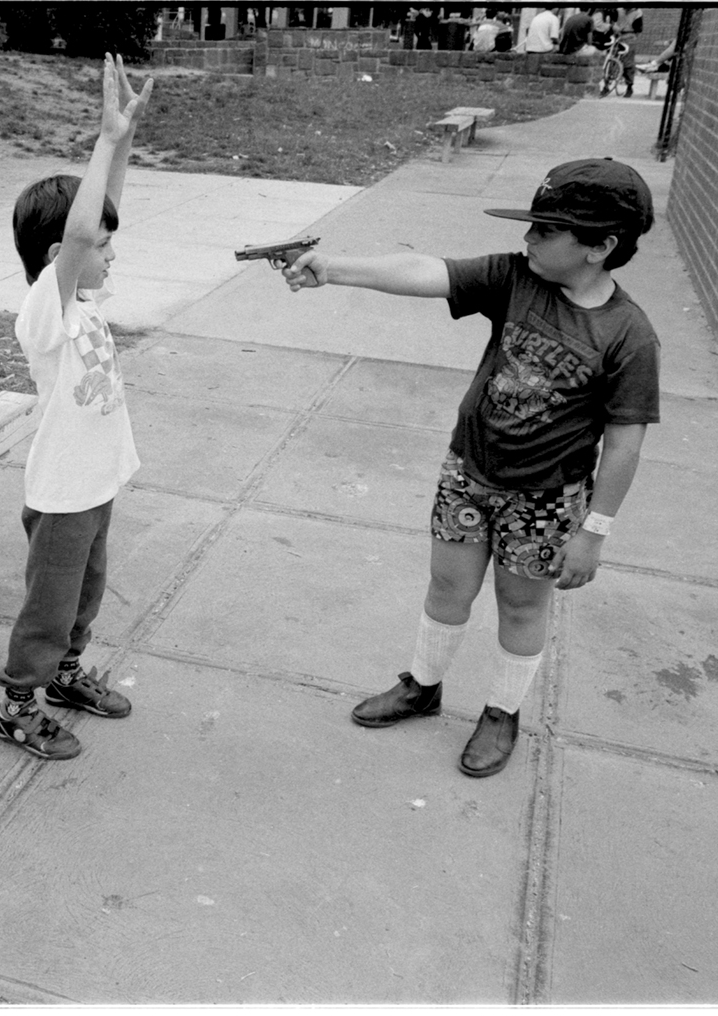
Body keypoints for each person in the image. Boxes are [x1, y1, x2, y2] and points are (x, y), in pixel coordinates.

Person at [280, 159, 659, 777]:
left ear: (601, 247)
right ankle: (423, 686)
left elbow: (625, 442)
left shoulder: (628, 334)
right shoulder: (515, 278)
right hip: (469, 472)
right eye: (531, 225)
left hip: (545, 499)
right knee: (448, 588)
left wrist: (595, 531)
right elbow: (426, 269)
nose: (529, 238)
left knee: (520, 606)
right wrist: (334, 268)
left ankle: (501, 711)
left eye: (547, 229)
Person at [0, 53, 153, 760]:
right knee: (49, 609)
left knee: (86, 596)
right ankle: (18, 702)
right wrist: (100, 136)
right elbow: (88, 231)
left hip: (94, 484)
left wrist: (120, 144)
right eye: (102, 245)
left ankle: (63, 676)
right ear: (63, 252)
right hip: (60, 493)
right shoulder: (44, 313)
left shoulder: (83, 297)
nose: (112, 254)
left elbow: (97, 219)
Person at [615, 7, 644, 96]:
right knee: (612, 60)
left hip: (629, 37)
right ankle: (607, 85)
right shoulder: (619, 10)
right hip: (618, 36)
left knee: (628, 63)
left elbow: (638, 29)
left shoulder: (637, 12)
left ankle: (629, 86)